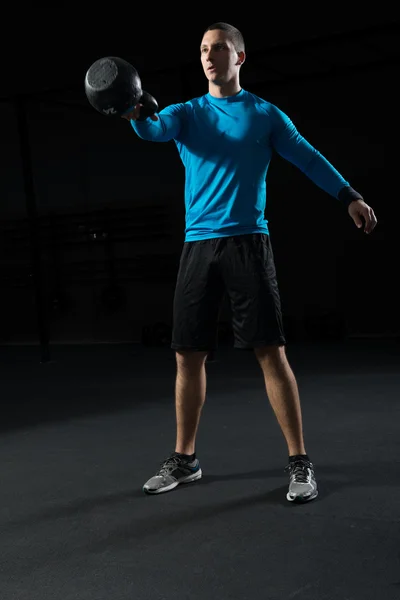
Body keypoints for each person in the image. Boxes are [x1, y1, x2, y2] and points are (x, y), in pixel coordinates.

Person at [122, 22, 377, 502]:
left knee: (271, 352)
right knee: (187, 355)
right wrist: (134, 111)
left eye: (219, 48)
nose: (209, 56)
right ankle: (185, 459)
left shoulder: (264, 115)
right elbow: (153, 130)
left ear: (240, 57)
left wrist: (349, 195)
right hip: (198, 246)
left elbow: (308, 157)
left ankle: (300, 463)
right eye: (202, 49)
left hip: (248, 245)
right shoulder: (187, 113)